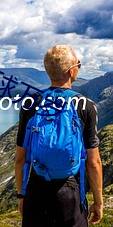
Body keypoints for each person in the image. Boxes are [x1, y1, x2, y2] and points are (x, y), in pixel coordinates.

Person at [15, 45, 103, 227]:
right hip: (70, 192)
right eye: (79, 64)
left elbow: (20, 158)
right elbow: (93, 162)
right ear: (71, 71)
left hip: (37, 189)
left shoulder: (31, 103)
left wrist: (21, 195)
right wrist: (98, 202)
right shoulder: (85, 106)